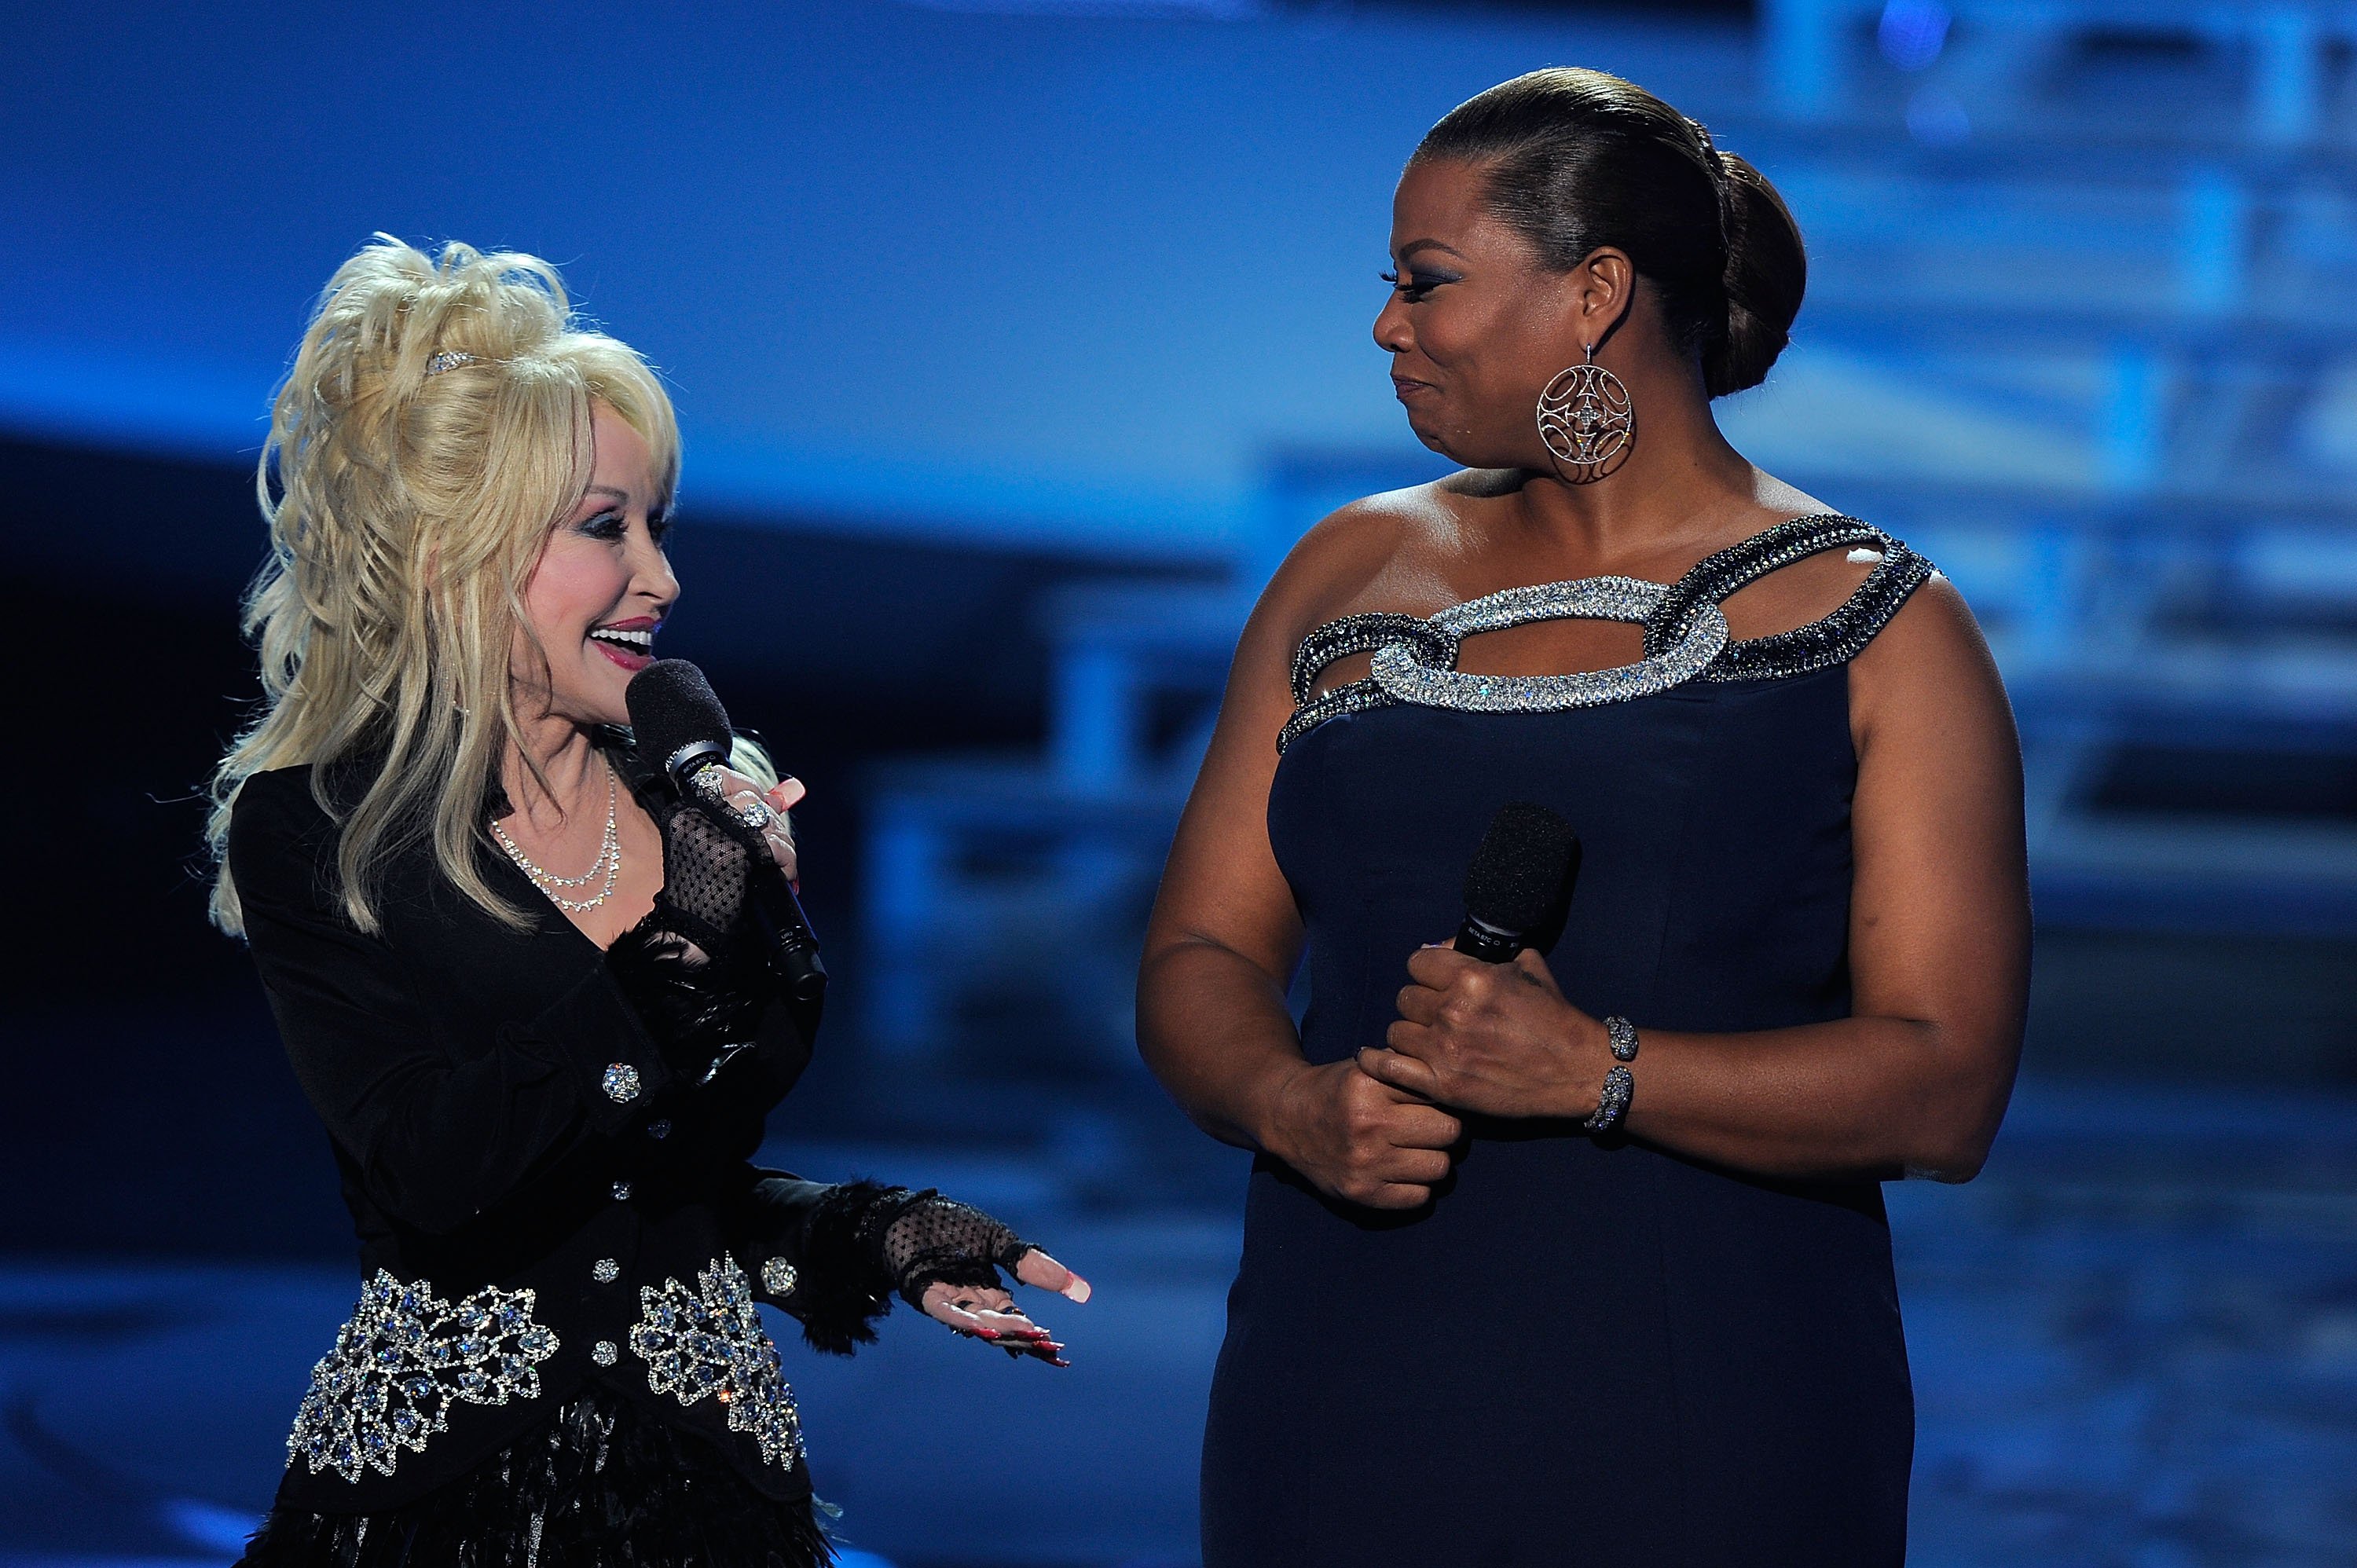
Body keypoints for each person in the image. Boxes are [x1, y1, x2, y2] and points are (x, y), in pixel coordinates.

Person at [1138, 68, 2027, 1566]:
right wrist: (1288, 1102)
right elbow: (1197, 955)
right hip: (1336, 1377)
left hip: (1704, 1407)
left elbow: (1944, 1093)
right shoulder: (1342, 574)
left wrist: (1596, 1071)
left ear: (1595, 293)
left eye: (1429, 283)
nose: (1387, 326)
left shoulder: (1883, 623)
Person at [208, 236, 1089, 1567]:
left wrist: (869, 1233)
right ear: (457, 553)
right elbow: (448, 1175)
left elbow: (663, 1194)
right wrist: (674, 942)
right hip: (440, 1503)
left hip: (711, 1487)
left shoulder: (700, 815)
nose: (662, 580)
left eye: (659, 526)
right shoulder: (321, 830)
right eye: (604, 527)